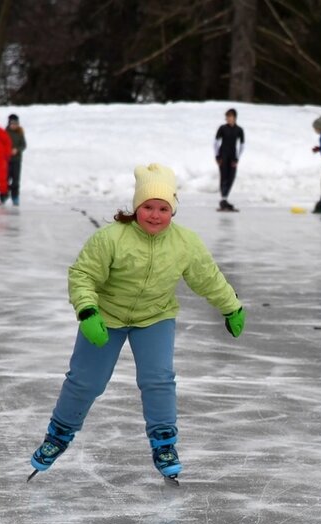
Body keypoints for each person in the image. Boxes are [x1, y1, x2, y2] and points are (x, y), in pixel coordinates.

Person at [27, 163, 247, 481]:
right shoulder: (111, 238)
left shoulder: (185, 243)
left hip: (155, 317)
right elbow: (83, 274)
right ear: (136, 207)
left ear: (172, 210)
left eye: (163, 208)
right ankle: (58, 435)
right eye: (147, 207)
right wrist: (88, 311)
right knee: (86, 381)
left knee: (159, 380)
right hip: (106, 317)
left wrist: (231, 307)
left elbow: (207, 278)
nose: (155, 215)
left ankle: (164, 444)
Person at [215, 108, 244, 211]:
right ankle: (223, 199)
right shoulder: (222, 128)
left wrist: (237, 158)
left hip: (233, 156)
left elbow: (242, 145)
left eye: (230, 116)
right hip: (223, 156)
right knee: (224, 177)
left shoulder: (239, 130)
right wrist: (217, 156)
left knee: (231, 177)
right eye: (227, 116)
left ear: (234, 118)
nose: (228, 118)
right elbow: (216, 143)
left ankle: (225, 199)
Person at [5, 113, 26, 207]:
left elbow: (24, 145)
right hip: (7, 160)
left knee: (16, 180)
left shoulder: (20, 133)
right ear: (9, 123)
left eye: (16, 123)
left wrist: (17, 149)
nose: (14, 125)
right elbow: (2, 144)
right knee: (6, 178)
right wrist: (8, 150)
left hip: (17, 160)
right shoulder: (5, 132)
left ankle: (15, 196)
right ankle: (5, 194)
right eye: (12, 123)